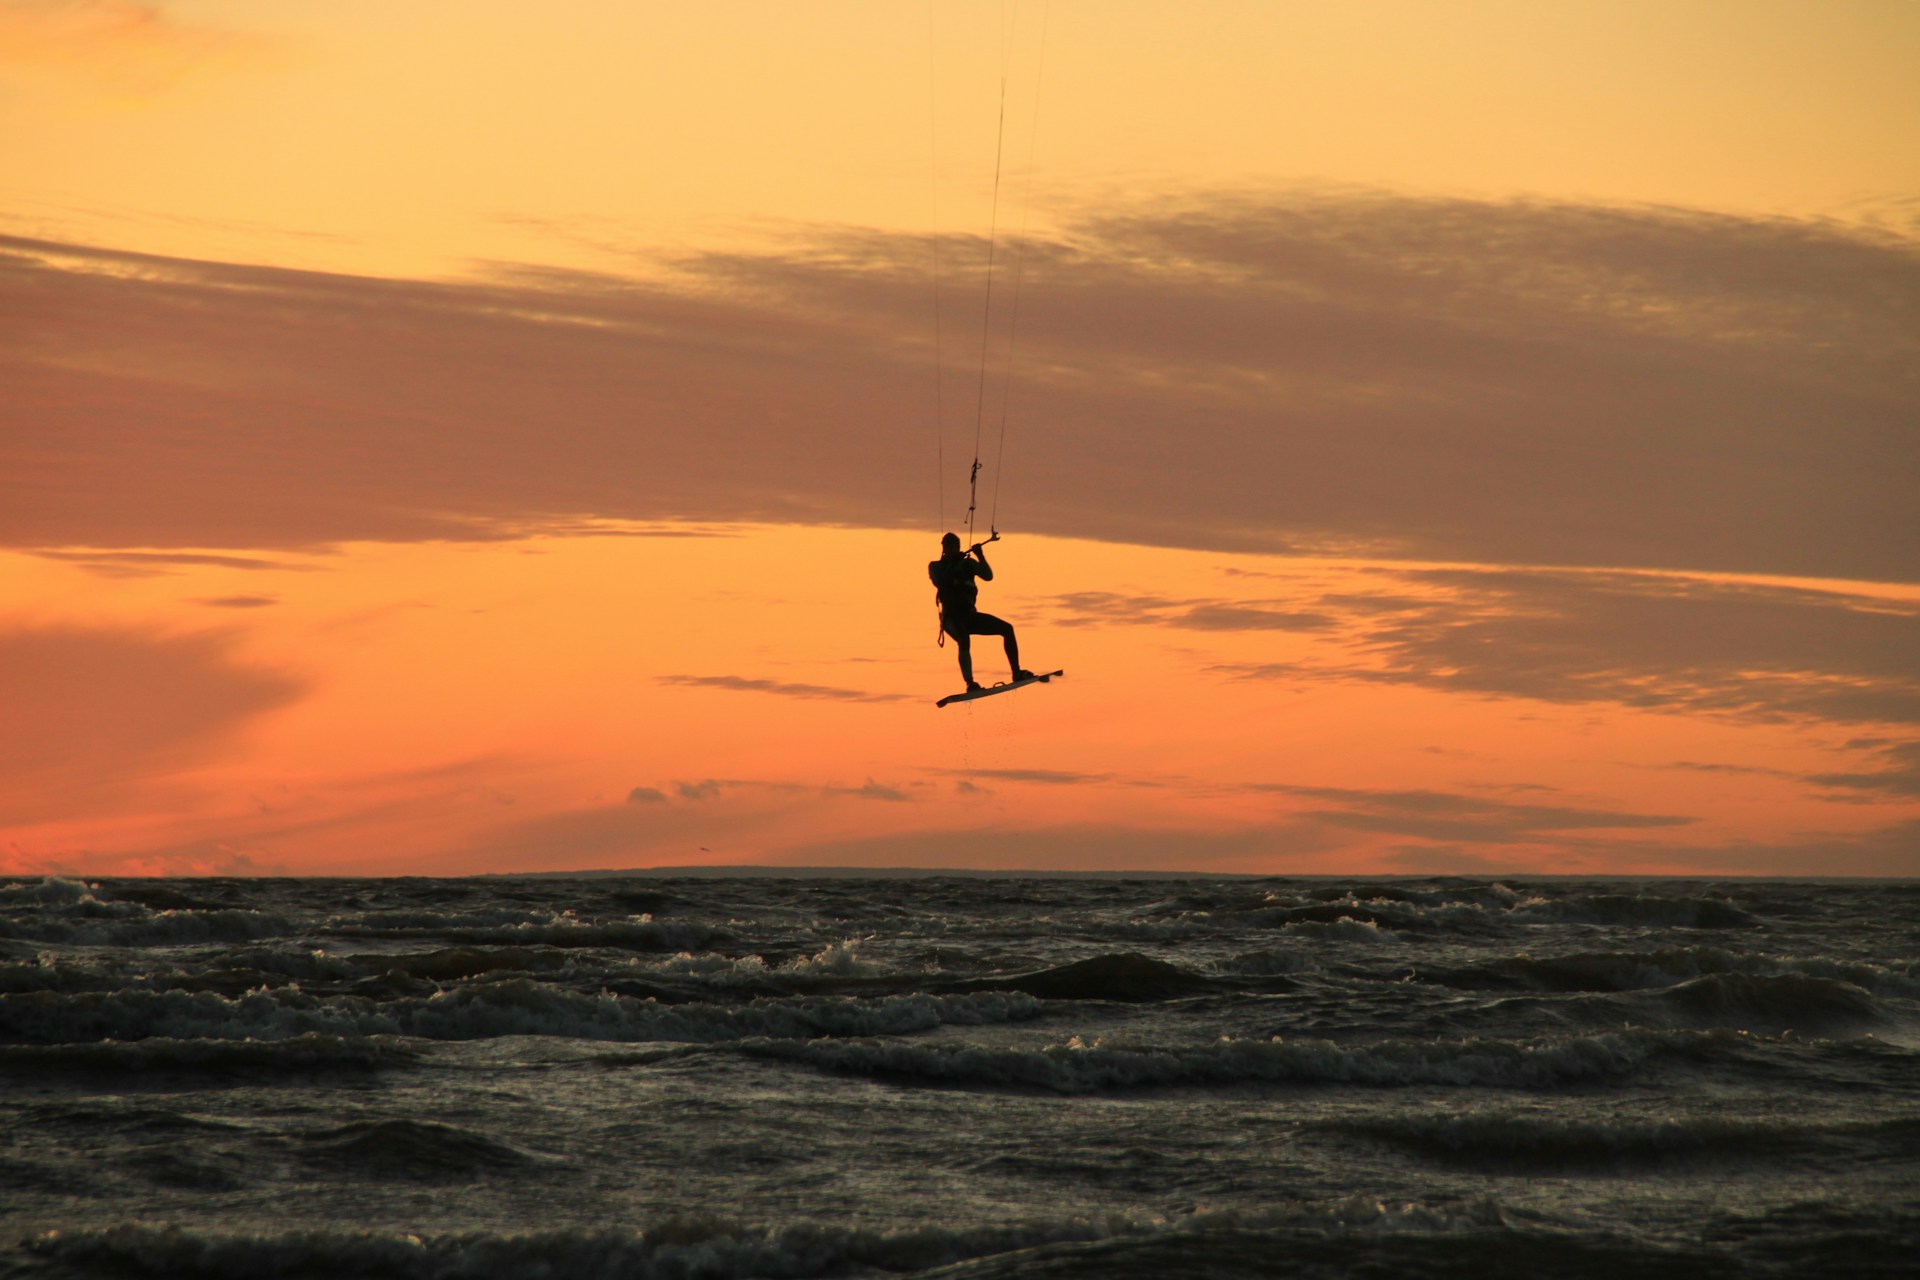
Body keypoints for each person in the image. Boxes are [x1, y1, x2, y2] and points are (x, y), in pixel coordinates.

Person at [929, 531, 1033, 692]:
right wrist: (954, 563)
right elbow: (941, 581)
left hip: (969, 615)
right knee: (964, 639)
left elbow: (988, 576)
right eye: (949, 547)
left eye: (955, 546)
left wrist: (980, 556)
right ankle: (970, 683)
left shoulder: (968, 564)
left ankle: (1017, 672)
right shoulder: (935, 566)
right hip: (951, 618)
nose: (953, 549)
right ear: (944, 548)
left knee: (1007, 629)